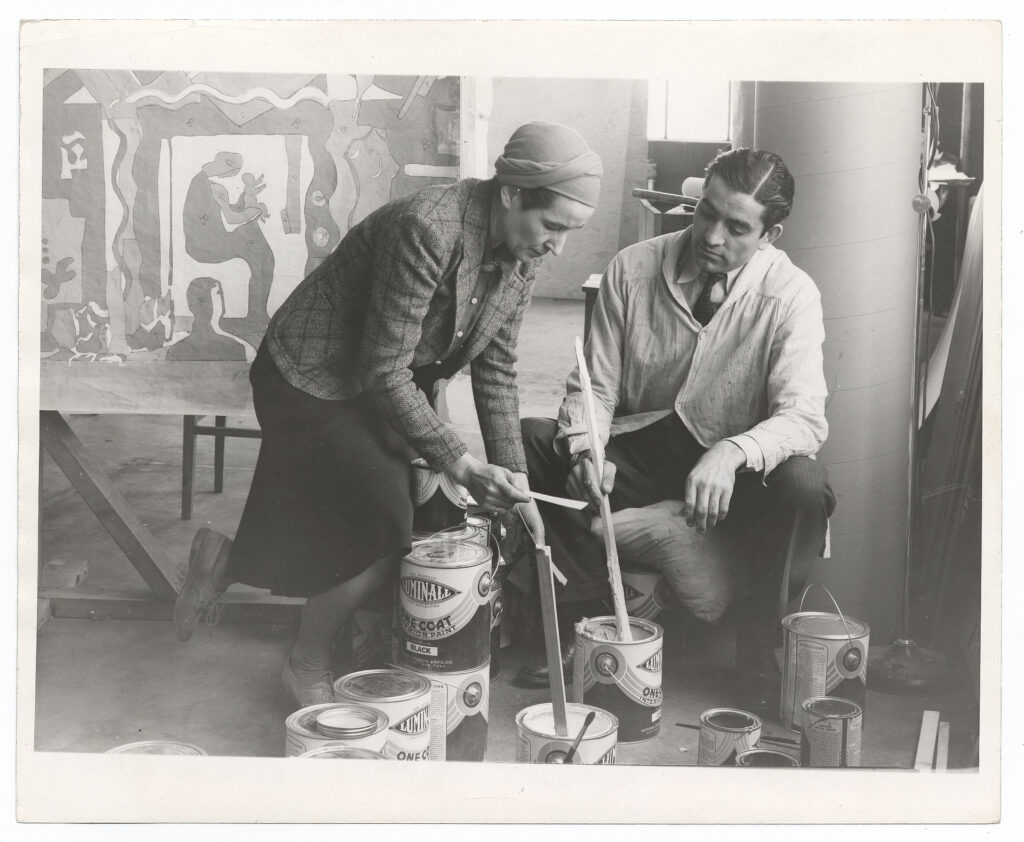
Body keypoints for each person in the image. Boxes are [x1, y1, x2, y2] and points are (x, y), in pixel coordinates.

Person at [173, 122, 602, 707]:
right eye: (553, 226)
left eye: (570, 232)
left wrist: (517, 479)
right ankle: (305, 663)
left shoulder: (524, 254)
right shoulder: (428, 227)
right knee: (385, 523)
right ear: (510, 194)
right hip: (311, 377)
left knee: (436, 513)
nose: (558, 247)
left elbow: (496, 367)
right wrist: (460, 461)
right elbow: (382, 370)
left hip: (388, 378)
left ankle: (225, 563)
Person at [519, 147, 836, 709]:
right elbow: (595, 386)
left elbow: (804, 417)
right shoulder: (632, 268)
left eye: (736, 228)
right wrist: (588, 450)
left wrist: (733, 452)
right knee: (534, 442)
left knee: (803, 485)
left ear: (771, 235)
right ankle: (586, 621)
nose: (711, 236)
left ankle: (756, 649)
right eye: (705, 212)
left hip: (730, 482)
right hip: (645, 452)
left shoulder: (791, 294)